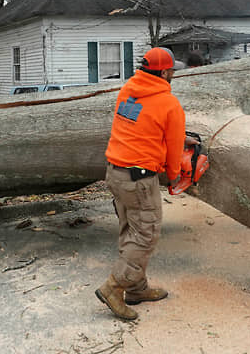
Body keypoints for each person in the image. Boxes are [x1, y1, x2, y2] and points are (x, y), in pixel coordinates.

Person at [96, 47, 186, 321]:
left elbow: (141, 128)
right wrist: (174, 176)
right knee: (145, 235)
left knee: (130, 229)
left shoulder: (127, 91)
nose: (173, 75)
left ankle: (136, 288)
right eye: (171, 71)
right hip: (139, 179)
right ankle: (114, 287)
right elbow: (174, 149)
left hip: (115, 172)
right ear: (164, 72)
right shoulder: (169, 104)